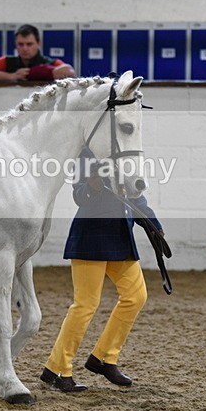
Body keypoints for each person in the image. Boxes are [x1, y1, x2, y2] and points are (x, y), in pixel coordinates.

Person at [40, 147, 162, 392]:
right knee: (85, 305)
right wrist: (92, 186)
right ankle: (58, 369)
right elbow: (80, 196)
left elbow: (136, 195)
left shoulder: (127, 157)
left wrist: (153, 224)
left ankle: (104, 358)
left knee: (136, 297)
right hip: (91, 239)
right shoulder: (86, 155)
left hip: (120, 238)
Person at [0, 24, 76, 81]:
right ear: (15, 44)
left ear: (38, 43)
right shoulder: (8, 62)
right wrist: (11, 76)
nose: (25, 48)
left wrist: (36, 73)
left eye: (29, 44)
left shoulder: (49, 63)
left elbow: (69, 72)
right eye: (21, 44)